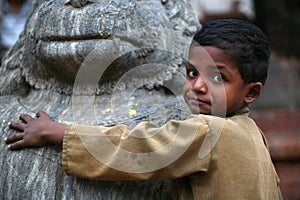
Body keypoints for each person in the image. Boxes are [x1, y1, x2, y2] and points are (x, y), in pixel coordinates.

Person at [4, 19, 282, 199]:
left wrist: (57, 132)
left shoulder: (210, 130)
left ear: (251, 92)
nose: (197, 86)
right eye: (191, 72)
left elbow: (136, 148)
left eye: (218, 78)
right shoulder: (255, 135)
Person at [191, 0, 255, 24]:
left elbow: (244, 15)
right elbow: (199, 20)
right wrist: (232, 13)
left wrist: (209, 16)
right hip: (210, 37)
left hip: (236, 36)